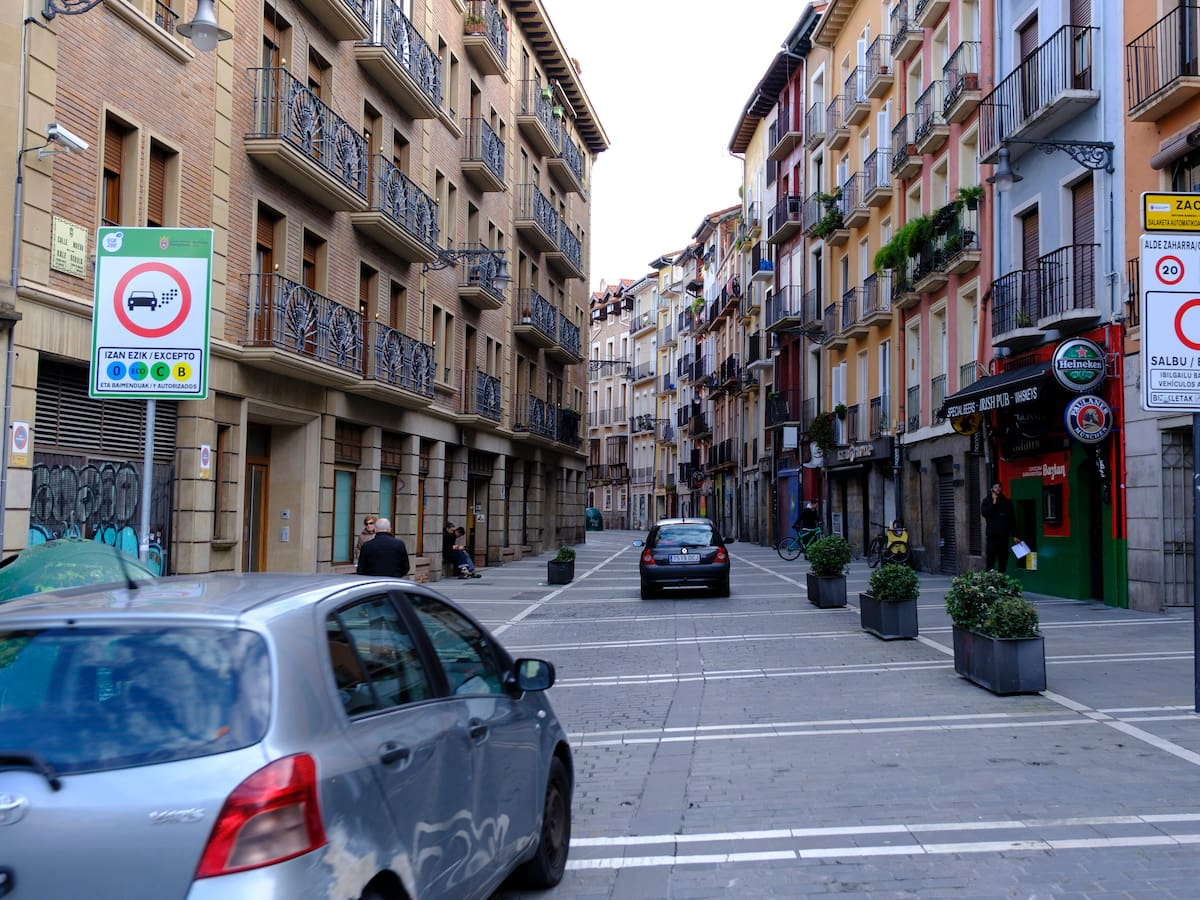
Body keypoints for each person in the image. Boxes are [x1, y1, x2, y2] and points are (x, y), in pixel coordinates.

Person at [980, 482, 1016, 573]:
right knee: (991, 559)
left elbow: (1012, 520)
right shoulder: (987, 501)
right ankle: (990, 581)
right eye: (995, 487)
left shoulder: (1007, 502)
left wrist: (1015, 535)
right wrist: (993, 502)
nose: (998, 489)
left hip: (1004, 536)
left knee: (1003, 560)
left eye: (999, 487)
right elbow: (984, 513)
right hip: (992, 536)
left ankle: (1001, 579)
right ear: (991, 489)